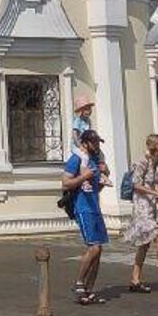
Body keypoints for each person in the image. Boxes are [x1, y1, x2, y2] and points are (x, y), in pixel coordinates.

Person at [124, 133, 158, 293]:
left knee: (144, 244)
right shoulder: (142, 162)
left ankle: (135, 279)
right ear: (154, 146)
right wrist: (155, 193)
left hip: (151, 208)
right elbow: (136, 185)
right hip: (141, 209)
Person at [62, 129, 110, 305]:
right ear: (85, 143)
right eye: (94, 143)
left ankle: (89, 291)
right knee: (94, 247)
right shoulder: (76, 159)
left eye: (98, 142)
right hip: (82, 207)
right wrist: (84, 177)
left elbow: (96, 186)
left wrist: (105, 176)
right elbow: (66, 182)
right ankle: (79, 283)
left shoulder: (95, 160)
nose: (97, 146)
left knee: (99, 250)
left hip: (94, 206)